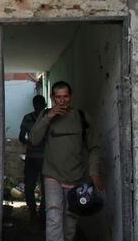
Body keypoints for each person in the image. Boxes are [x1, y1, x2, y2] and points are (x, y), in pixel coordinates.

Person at [29, 81, 102, 241]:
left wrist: (94, 172)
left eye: (66, 97)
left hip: (76, 177)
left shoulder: (82, 117)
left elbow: (94, 147)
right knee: (54, 218)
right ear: (52, 97)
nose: (62, 101)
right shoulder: (45, 115)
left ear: (71, 96)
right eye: (58, 97)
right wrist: (48, 117)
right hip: (52, 176)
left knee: (69, 223)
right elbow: (33, 139)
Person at [19, 94, 47, 221]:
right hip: (31, 157)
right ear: (34, 105)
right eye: (37, 105)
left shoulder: (48, 117)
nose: (39, 108)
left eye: (41, 105)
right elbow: (21, 136)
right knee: (29, 186)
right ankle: (32, 211)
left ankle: (42, 212)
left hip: (46, 158)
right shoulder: (28, 118)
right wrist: (29, 142)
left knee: (46, 187)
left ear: (45, 105)